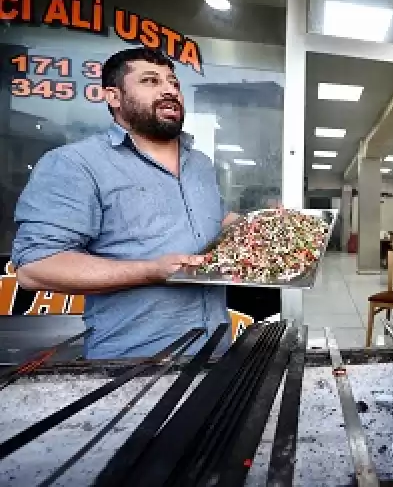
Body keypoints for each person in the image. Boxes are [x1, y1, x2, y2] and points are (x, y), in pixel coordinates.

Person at [11, 48, 240, 358]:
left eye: (174, 83)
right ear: (113, 97)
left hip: (217, 352)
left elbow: (214, 220)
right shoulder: (75, 164)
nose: (169, 90)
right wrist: (151, 271)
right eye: (150, 81)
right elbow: (36, 268)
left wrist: (264, 226)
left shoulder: (199, 163)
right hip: (131, 364)